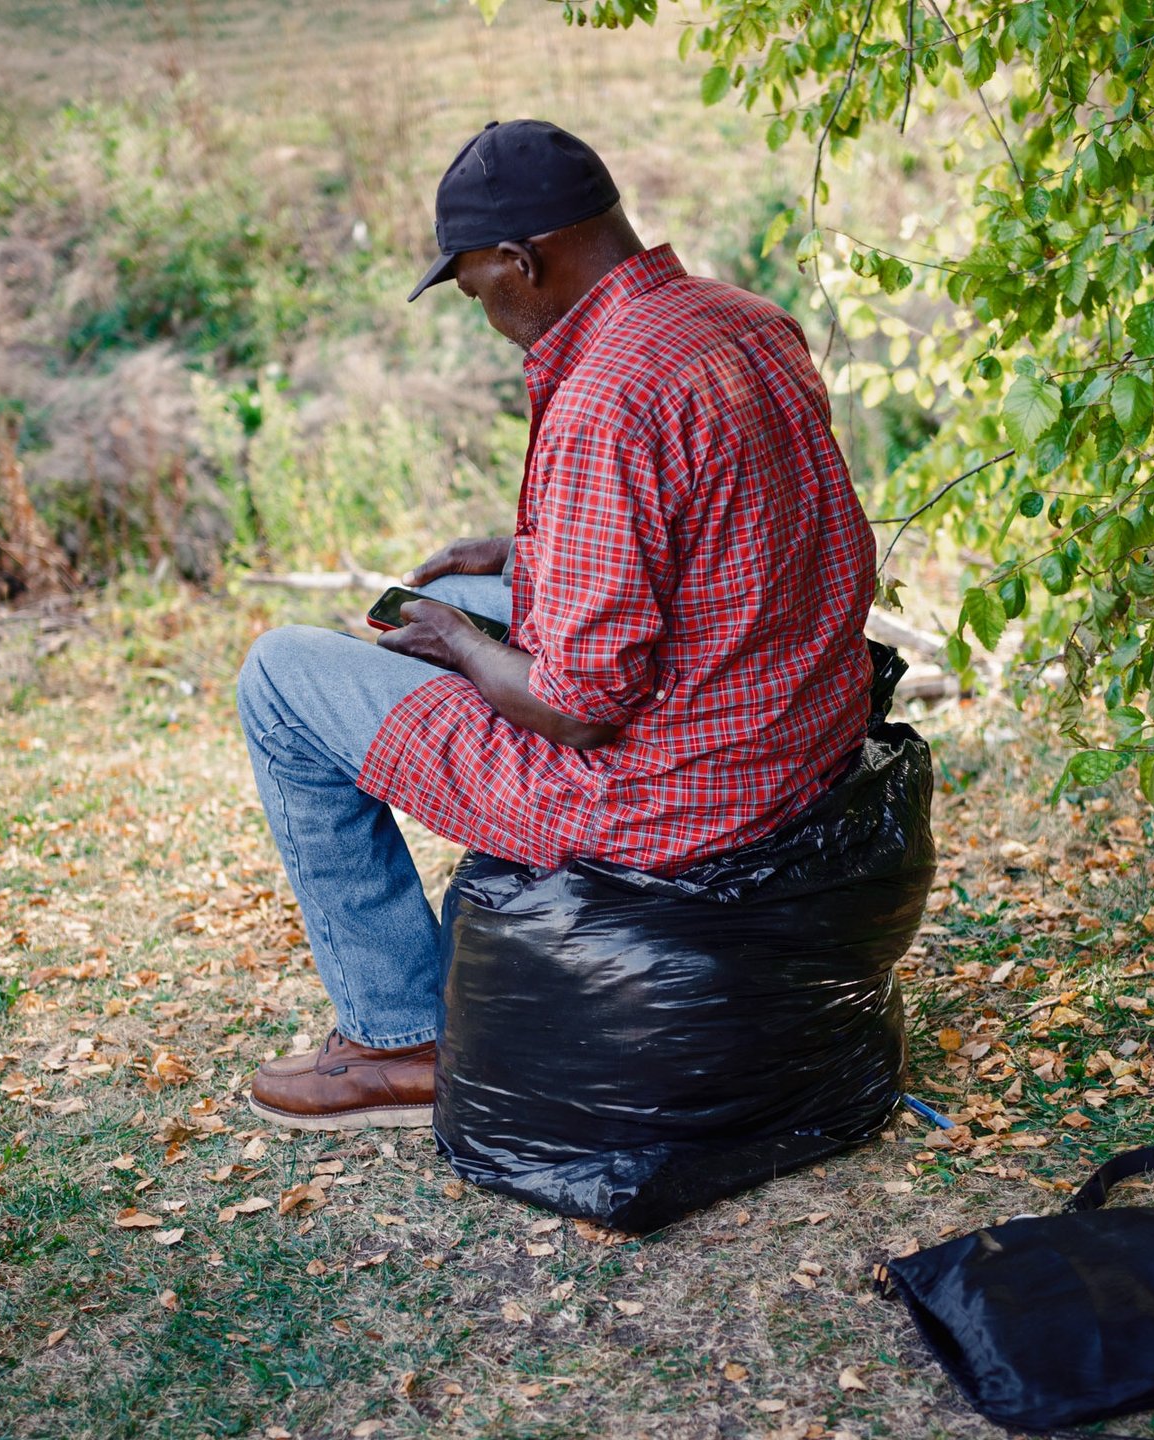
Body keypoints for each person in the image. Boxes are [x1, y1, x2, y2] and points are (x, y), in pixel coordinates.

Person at [237, 119, 876, 1130]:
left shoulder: (606, 397)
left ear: (520, 261)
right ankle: (424, 991)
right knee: (480, 601)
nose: (481, 309)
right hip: (797, 744)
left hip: (670, 799)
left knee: (281, 677)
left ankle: (397, 1035)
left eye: (473, 287)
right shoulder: (748, 321)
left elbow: (577, 711)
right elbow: (717, 542)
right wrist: (528, 551)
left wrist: (455, 643)